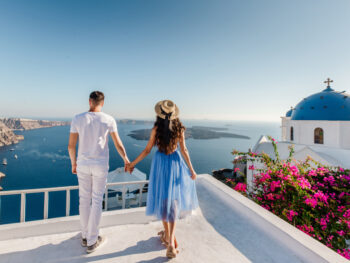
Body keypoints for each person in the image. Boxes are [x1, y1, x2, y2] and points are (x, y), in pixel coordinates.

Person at [127, 100, 198, 259]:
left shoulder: (156, 129)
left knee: (163, 200)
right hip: (175, 163)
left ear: (159, 113)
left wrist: (132, 164)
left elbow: (146, 150)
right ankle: (170, 241)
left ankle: (168, 236)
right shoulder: (179, 128)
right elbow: (184, 150)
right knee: (173, 202)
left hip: (160, 164)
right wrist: (192, 170)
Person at [68, 91, 130, 253]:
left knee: (84, 200)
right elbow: (118, 144)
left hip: (82, 164)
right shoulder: (108, 119)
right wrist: (126, 160)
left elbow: (71, 146)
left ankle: (84, 236)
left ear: (90, 101)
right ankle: (92, 240)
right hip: (100, 165)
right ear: (102, 103)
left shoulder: (77, 118)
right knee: (96, 201)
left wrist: (73, 163)